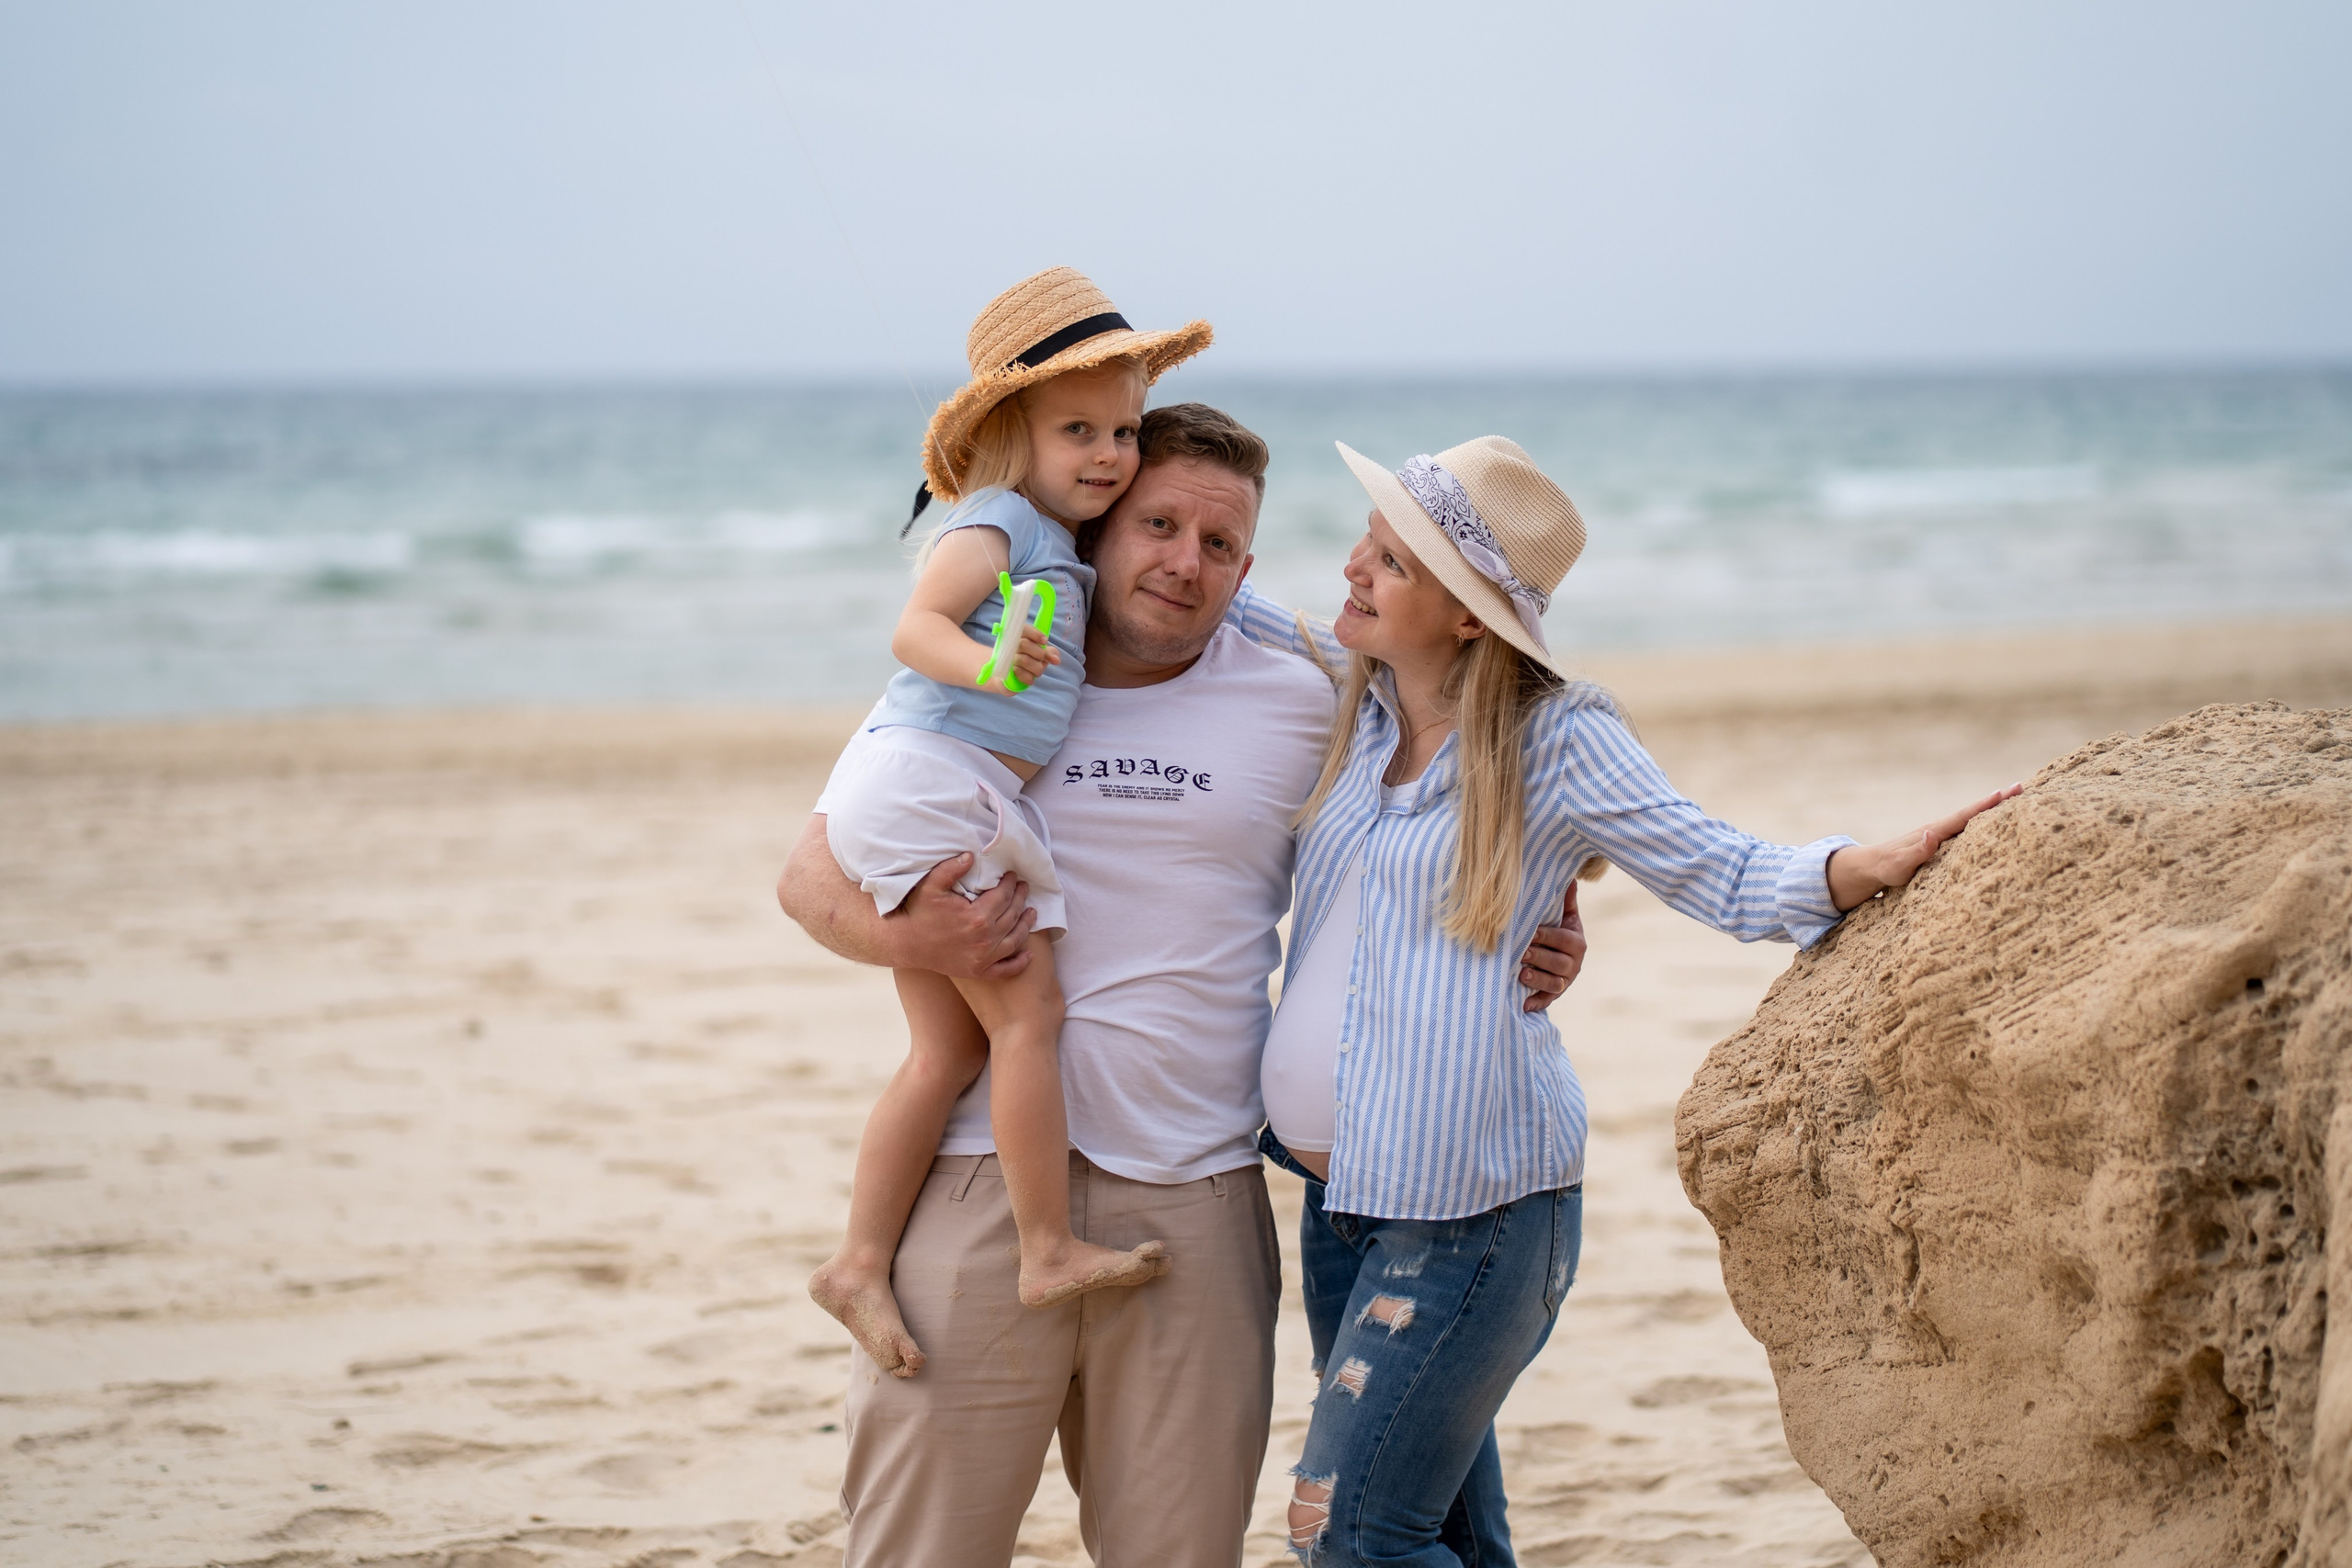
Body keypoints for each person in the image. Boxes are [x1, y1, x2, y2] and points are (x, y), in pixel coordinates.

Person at [777, 406, 1590, 1568]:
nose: (1184, 564)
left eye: (1219, 545)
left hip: (1197, 1203)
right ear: (1096, 531)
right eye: (1156, 525)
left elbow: (1476, 771)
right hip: (970, 1190)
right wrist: (929, 943)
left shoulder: (1311, 693)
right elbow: (808, 881)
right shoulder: (983, 668)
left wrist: (1551, 915)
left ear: (1247, 565)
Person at [1227, 434, 2021, 1566]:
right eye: (1366, 543)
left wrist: (1861, 863)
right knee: (1442, 1528)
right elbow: (1207, 591)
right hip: (1340, 1204)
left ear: (1464, 613)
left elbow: (1722, 868)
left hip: (1471, 1216)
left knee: (1347, 1535)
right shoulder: (1356, 707)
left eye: (1391, 561)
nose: (1353, 568)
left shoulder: (1553, 738)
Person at [805, 266, 1211, 1379]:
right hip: (938, 780)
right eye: (1078, 428)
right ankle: (1045, 1249)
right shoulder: (997, 521)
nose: (1109, 455)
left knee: (945, 1047)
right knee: (1028, 1014)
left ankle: (855, 1262)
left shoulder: (1056, 542)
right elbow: (915, 627)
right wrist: (985, 660)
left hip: (925, 784)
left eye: (1124, 431)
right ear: (1008, 433)